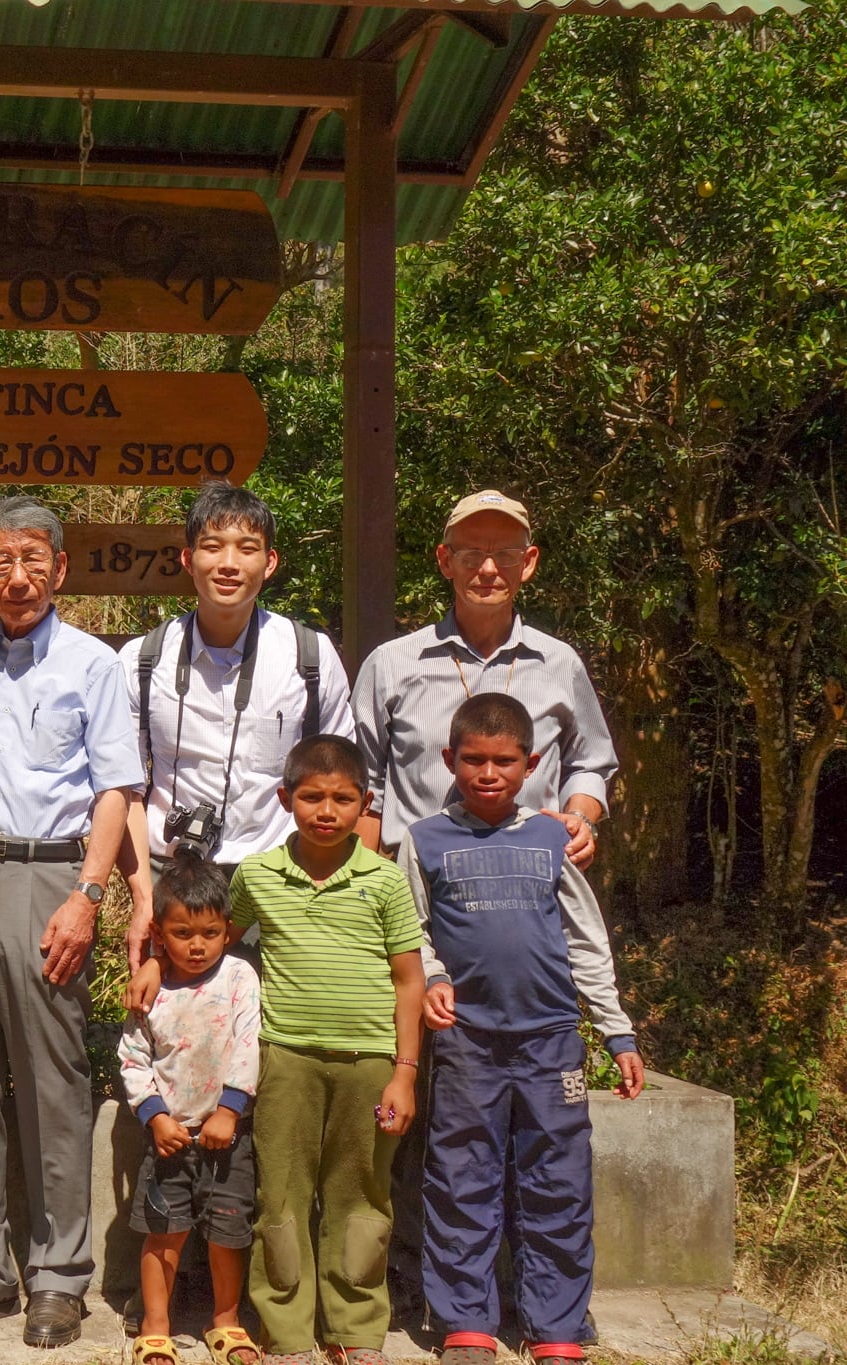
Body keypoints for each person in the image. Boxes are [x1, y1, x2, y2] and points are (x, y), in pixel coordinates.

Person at [0, 495, 143, 1350]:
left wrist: (88, 894)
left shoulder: (93, 664)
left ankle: (58, 1277)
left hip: (51, 873)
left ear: (61, 568)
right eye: (2, 561)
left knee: (52, 1081)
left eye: (34, 559)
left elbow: (116, 786)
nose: (19, 576)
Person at [398, 694, 646, 1365]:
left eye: (503, 760)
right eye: (472, 758)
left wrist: (617, 1032)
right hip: (467, 1045)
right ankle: (465, 1322)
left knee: (558, 1181)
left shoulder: (551, 838)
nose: (487, 772)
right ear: (449, 759)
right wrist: (436, 976)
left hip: (550, 1041)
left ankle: (556, 1324)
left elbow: (587, 941)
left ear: (531, 764)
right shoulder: (422, 840)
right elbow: (409, 931)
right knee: (460, 1178)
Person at [228, 735, 424, 1365]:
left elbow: (409, 980)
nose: (326, 810)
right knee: (280, 1195)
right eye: (312, 796)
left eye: (343, 799)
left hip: (370, 1065)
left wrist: (404, 1074)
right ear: (285, 798)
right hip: (285, 1060)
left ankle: (355, 1330)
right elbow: (213, 936)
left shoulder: (385, 880)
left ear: (365, 804)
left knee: (362, 1196)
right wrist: (155, 967)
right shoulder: (257, 876)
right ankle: (286, 1333)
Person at [116, 482, 355, 978]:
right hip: (172, 878)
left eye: (247, 549)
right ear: (187, 559)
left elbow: (342, 783)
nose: (229, 563)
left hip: (281, 879)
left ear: (269, 563)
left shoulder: (308, 657)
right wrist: (143, 899)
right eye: (212, 546)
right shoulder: (143, 661)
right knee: (170, 1037)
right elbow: (126, 790)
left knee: (277, 1036)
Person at [352, 491, 617, 867]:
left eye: (506, 556)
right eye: (472, 555)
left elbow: (590, 763)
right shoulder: (392, 664)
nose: (489, 569)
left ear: (528, 563)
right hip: (417, 885)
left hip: (532, 880)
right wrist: (367, 886)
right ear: (446, 561)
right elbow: (363, 784)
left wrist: (581, 820)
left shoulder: (560, 663)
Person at [116, 854, 262, 1365]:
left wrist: (230, 1110)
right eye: (182, 933)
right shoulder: (148, 992)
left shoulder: (240, 977)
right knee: (163, 1233)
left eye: (210, 932)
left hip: (229, 1135)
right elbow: (133, 1059)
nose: (197, 946)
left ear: (227, 930)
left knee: (228, 1230)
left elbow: (249, 1044)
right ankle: (156, 1326)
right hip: (168, 1139)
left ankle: (225, 1320)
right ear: (158, 933)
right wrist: (155, 1116)